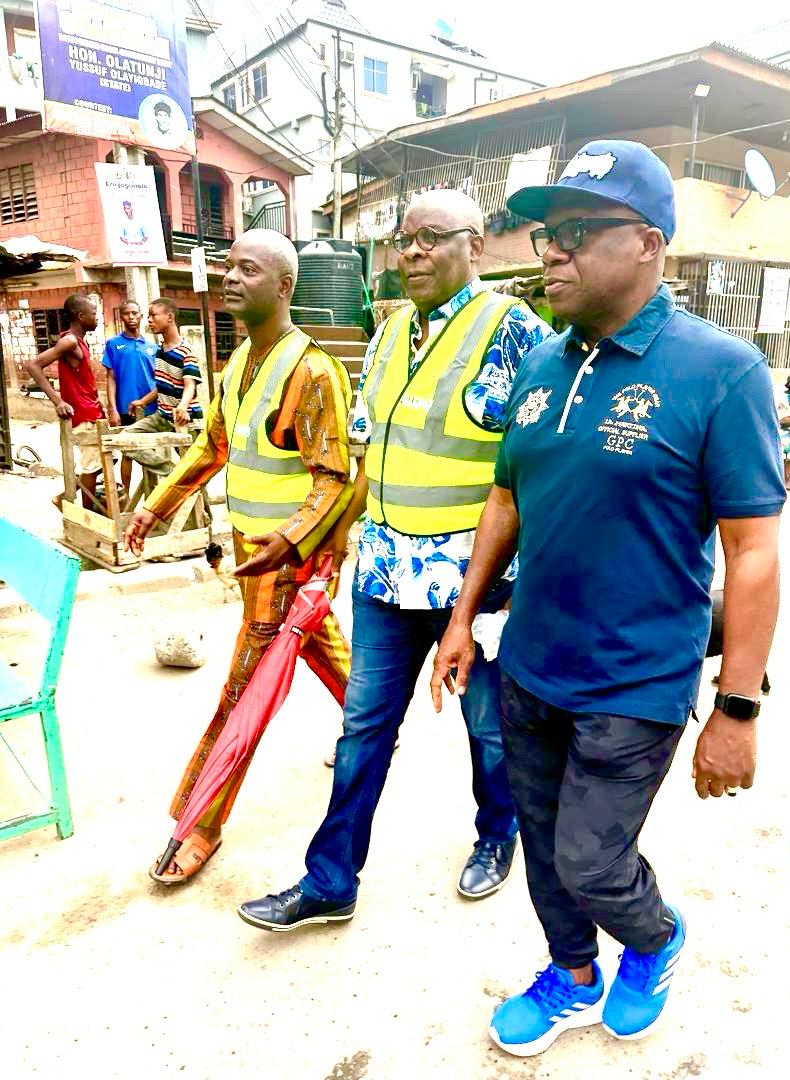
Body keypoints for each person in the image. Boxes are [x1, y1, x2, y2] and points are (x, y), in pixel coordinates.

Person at [431, 140, 784, 1056]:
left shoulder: (722, 372)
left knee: (591, 859)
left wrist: (738, 708)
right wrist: (465, 618)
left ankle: (657, 940)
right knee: (545, 851)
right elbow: (506, 495)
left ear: (651, 245)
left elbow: (751, 553)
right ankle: (572, 976)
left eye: (581, 233)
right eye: (550, 234)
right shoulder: (544, 366)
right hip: (533, 666)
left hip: (636, 680)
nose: (553, 252)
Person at [237, 188, 552, 934]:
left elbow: (536, 470)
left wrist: (505, 591)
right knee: (363, 729)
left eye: (430, 237)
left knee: (488, 726)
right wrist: (326, 546)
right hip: (384, 575)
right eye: (402, 240)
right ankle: (330, 880)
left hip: (473, 585)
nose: (410, 252)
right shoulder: (385, 337)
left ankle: (495, 834)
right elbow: (364, 458)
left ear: (475, 245)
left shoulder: (516, 333)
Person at [124, 230, 355, 884]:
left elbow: (333, 475)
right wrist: (156, 507)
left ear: (283, 287)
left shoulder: (311, 370)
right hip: (252, 557)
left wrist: (292, 541)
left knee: (241, 694)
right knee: (316, 644)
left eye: (247, 269)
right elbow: (210, 450)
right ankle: (371, 721)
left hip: (283, 561)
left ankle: (201, 822)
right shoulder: (234, 369)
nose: (229, 278)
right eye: (228, 266)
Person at [24, 294, 105, 510]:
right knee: (92, 466)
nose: (97, 318)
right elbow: (34, 366)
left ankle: (64, 498)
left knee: (107, 460)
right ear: (81, 316)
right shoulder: (69, 341)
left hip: (92, 410)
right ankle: (89, 514)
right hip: (82, 414)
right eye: (94, 314)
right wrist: (58, 401)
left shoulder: (79, 341)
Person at [122, 298, 203, 480]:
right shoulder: (160, 350)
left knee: (194, 474)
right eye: (149, 316)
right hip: (162, 416)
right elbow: (163, 385)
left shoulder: (185, 351)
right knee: (126, 438)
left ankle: (195, 497)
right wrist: (143, 401)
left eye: (153, 315)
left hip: (185, 419)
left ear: (170, 317)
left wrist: (182, 406)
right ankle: (173, 473)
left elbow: (190, 384)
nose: (149, 320)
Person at [102, 300, 158, 494]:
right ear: (121, 317)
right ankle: (126, 496)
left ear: (141, 316)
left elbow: (158, 380)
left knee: (153, 452)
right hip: (126, 407)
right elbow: (111, 377)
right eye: (127, 313)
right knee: (127, 453)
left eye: (135, 313)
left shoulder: (152, 347)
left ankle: (152, 497)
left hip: (151, 409)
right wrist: (112, 408)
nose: (131, 317)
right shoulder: (113, 344)